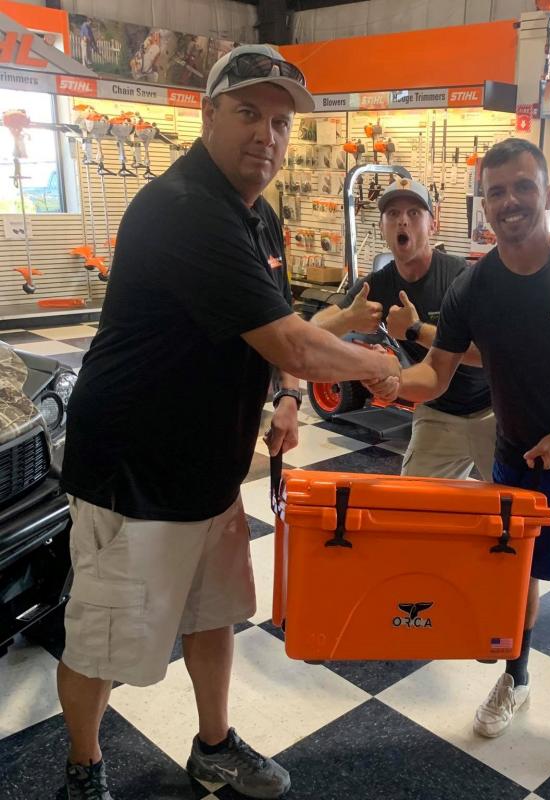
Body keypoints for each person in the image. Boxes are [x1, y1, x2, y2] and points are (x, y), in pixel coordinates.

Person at [58, 44, 400, 800]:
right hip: (134, 472)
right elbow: (293, 342)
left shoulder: (259, 215)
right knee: (104, 638)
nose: (265, 136)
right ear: (208, 115)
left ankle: (213, 745)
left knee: (213, 615)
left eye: (280, 122)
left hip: (208, 467)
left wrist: (287, 398)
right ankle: (83, 771)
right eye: (248, 113)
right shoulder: (185, 209)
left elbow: (274, 328)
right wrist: (379, 366)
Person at [366, 138, 550, 774]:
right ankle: (515, 678)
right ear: (483, 206)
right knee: (519, 580)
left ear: (547, 193)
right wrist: (386, 378)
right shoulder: (475, 288)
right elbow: (436, 374)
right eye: (496, 192)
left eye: (523, 187)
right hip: (520, 463)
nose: (510, 201)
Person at [312, 176, 550, 619]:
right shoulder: (378, 285)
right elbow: (309, 333)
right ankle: (409, 587)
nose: (403, 222)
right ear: (384, 227)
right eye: (393, 214)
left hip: (494, 413)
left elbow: (491, 354)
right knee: (409, 505)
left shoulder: (463, 279)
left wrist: (416, 331)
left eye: (414, 213)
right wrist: (346, 319)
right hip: (437, 411)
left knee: (532, 511)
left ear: (431, 224)